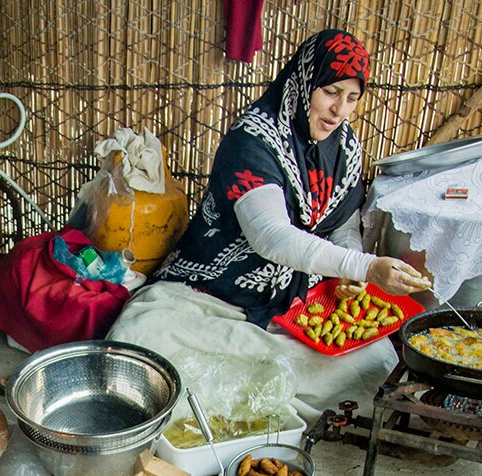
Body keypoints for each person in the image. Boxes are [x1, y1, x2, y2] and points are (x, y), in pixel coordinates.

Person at [109, 30, 420, 417]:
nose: (339, 109)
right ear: (305, 82)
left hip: (295, 302)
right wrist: (368, 267)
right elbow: (270, 237)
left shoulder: (344, 147)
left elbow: (342, 226)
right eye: (330, 91)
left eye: (352, 98)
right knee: (140, 341)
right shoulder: (254, 138)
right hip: (215, 290)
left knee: (374, 363)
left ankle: (242, 395)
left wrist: (351, 267)